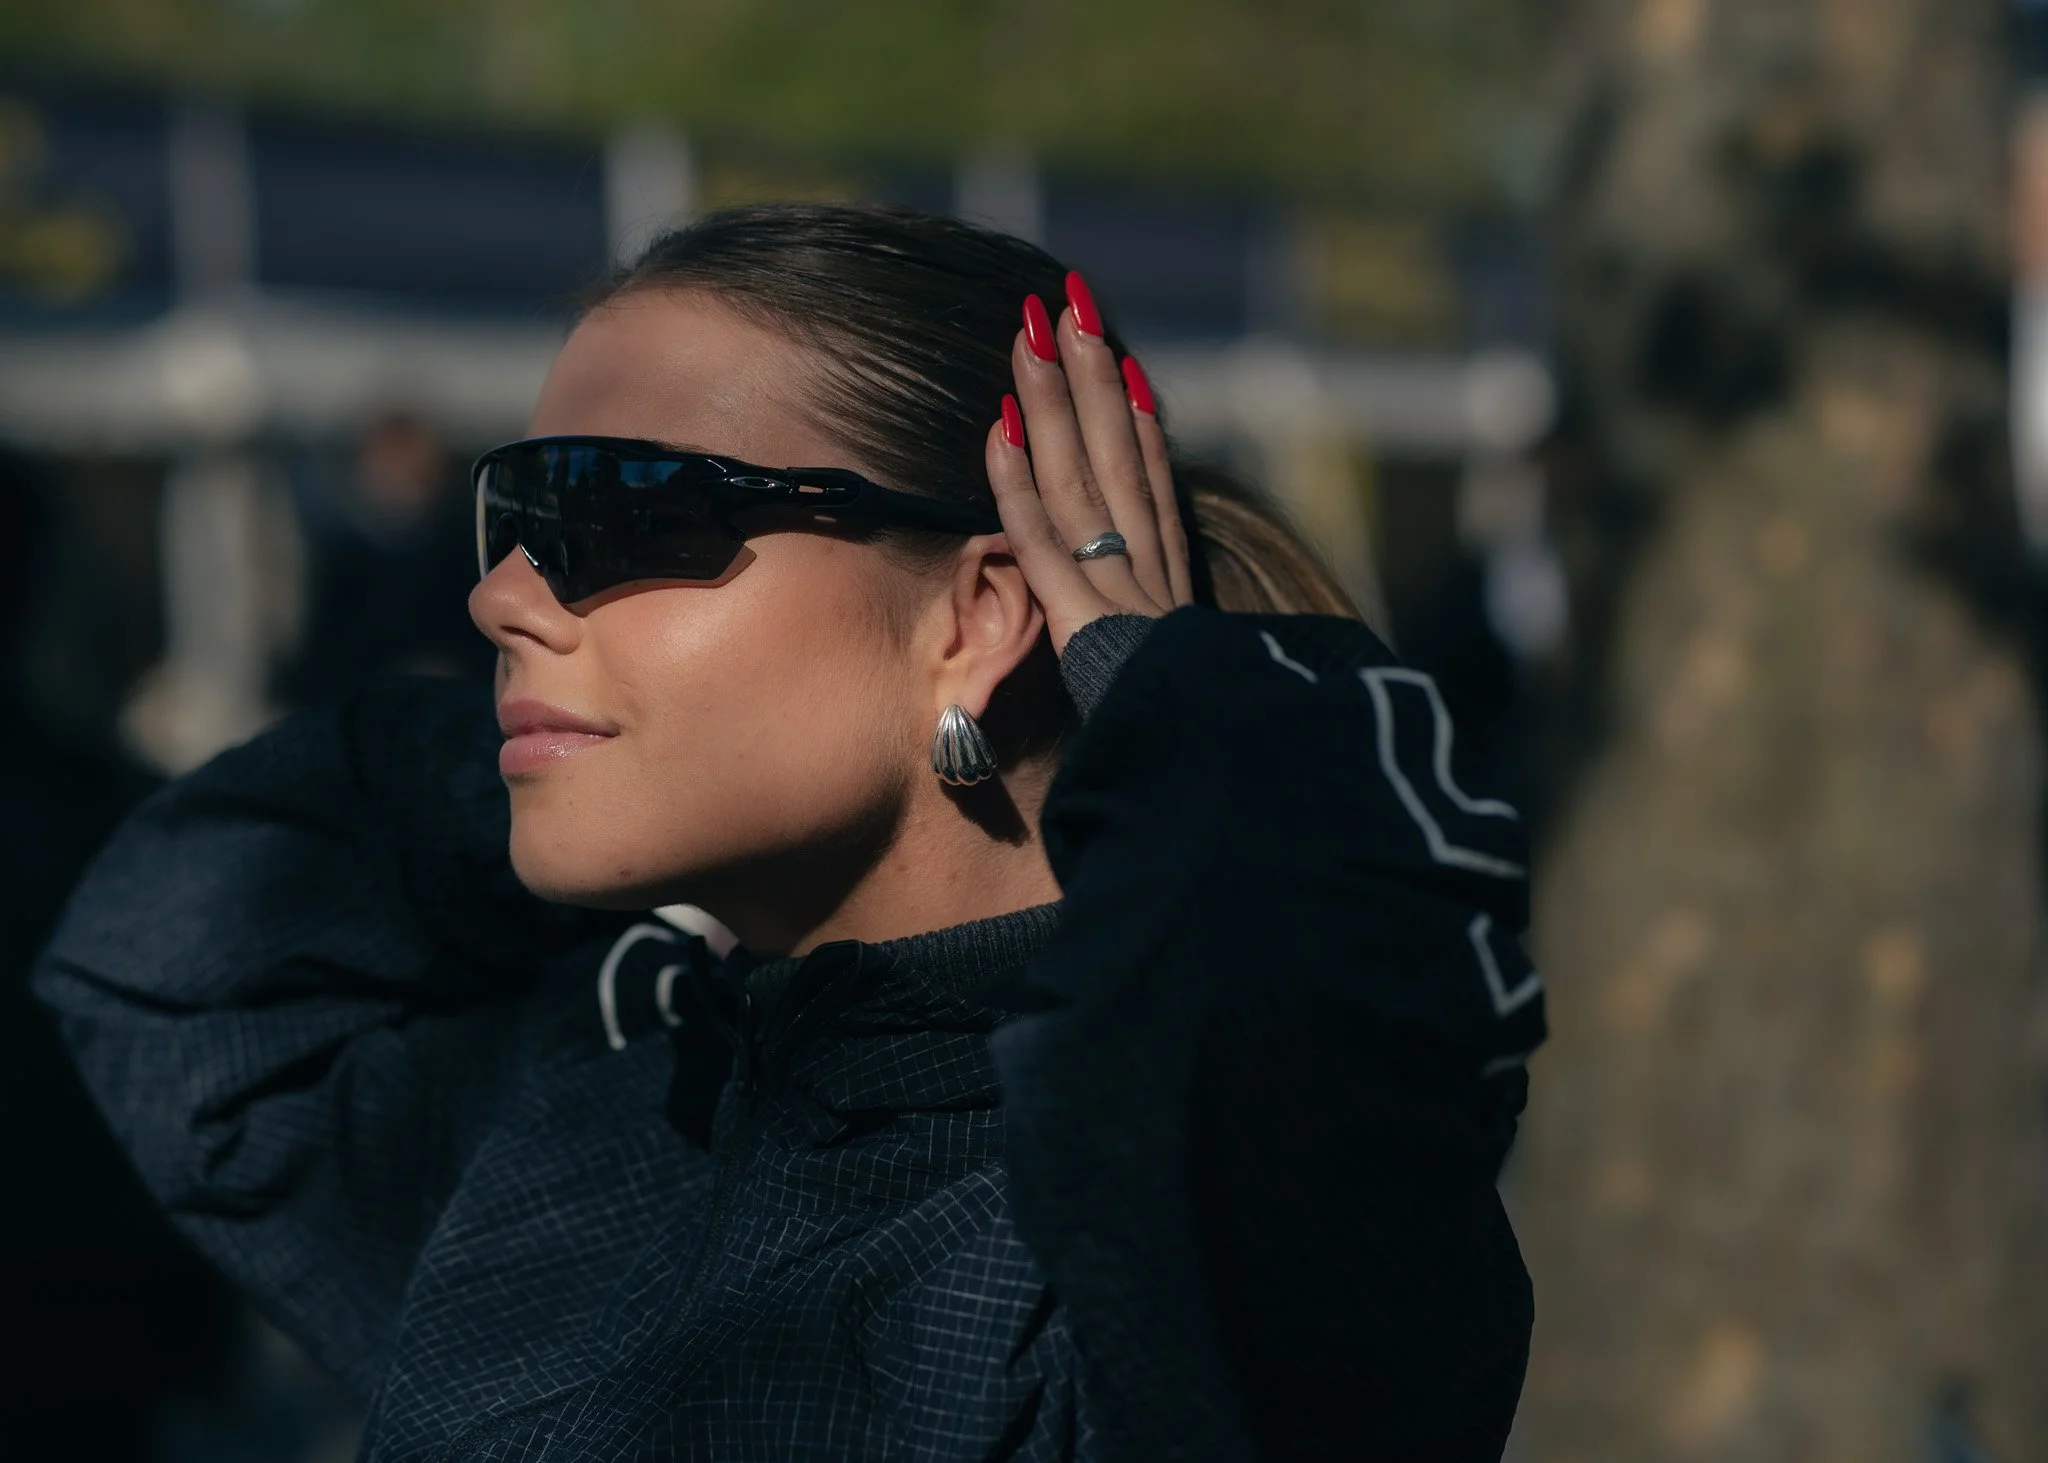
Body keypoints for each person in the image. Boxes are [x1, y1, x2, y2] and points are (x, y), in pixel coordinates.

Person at [36, 204, 1546, 1461]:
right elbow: (171, 958)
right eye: (516, 515)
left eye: (621, 511)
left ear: (979, 616)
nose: (499, 595)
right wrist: (549, 778)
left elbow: (1330, 998)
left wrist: (1168, 689)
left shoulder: (1168, 1218)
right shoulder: (620, 1086)